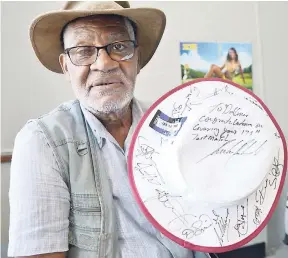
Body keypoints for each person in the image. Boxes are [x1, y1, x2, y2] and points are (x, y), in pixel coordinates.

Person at [8, 1, 208, 258]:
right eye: (83, 51)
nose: (104, 63)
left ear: (137, 58)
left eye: (119, 46)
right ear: (65, 66)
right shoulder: (43, 141)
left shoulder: (175, 127)